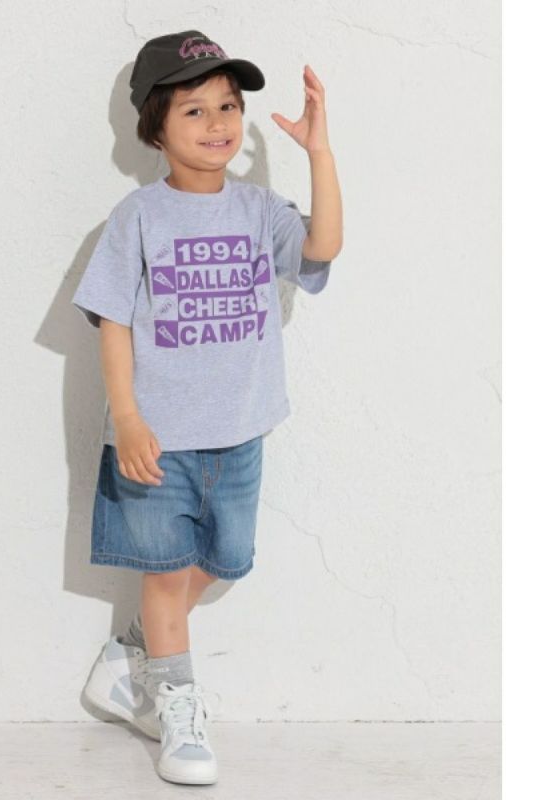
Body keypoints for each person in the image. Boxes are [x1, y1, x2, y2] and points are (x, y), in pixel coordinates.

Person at [74, 30, 343, 785]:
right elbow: (113, 322)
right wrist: (128, 418)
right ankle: (176, 708)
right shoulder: (137, 217)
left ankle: (130, 656)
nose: (218, 122)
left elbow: (322, 248)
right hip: (158, 438)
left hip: (240, 432)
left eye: (228, 106)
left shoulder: (259, 208)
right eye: (195, 110)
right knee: (165, 575)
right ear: (155, 128)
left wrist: (319, 151)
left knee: (224, 562)